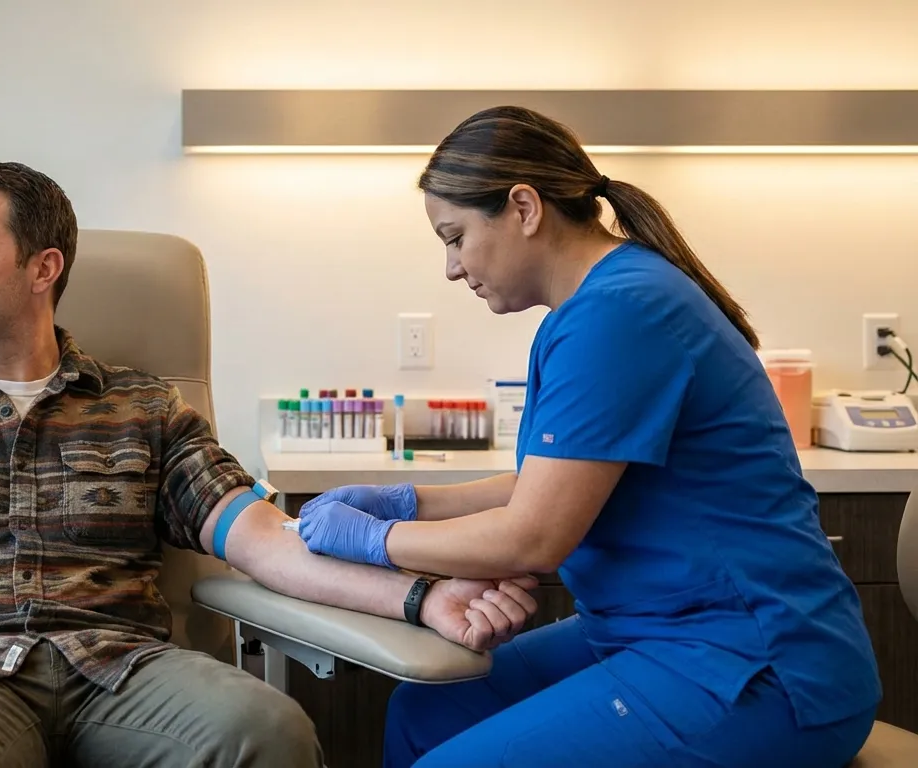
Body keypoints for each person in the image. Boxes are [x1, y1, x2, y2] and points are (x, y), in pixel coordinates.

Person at [0, 158, 540, 768]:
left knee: (270, 732)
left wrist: (419, 597)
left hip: (122, 669)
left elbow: (268, 542)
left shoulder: (145, 409)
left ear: (43, 269)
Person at [297, 106, 881, 768]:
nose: (452, 269)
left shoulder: (621, 310)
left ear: (523, 207)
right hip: (651, 632)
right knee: (426, 710)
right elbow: (547, 486)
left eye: (455, 237)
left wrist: (374, 541)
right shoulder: (586, 310)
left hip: (755, 664)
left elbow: (536, 536)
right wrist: (407, 501)